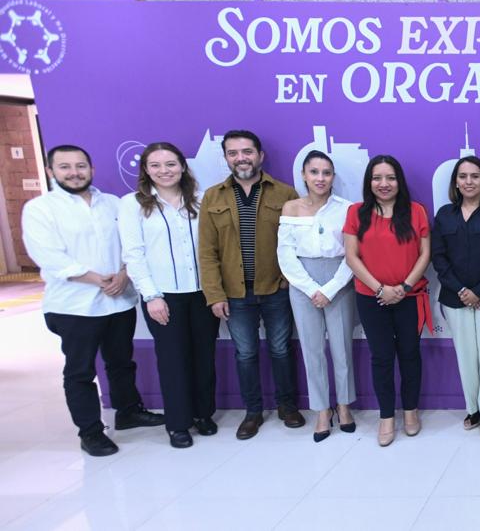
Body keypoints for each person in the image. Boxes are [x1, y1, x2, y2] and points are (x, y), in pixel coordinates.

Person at [23, 145, 164, 456]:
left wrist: (124, 275)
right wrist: (97, 279)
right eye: (65, 167)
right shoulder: (40, 209)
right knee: (80, 371)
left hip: (120, 300)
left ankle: (128, 411)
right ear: (51, 172)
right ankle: (90, 431)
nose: (74, 172)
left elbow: (133, 243)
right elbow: (48, 256)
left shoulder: (113, 204)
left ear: (92, 169)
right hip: (74, 306)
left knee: (121, 362)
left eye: (80, 166)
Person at [198, 130, 303, 440]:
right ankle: (253, 411)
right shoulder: (212, 196)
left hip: (275, 289)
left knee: (281, 349)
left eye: (247, 151)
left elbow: (296, 242)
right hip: (234, 292)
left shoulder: (284, 193)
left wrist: (287, 280)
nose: (241, 158)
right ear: (227, 158)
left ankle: (287, 406)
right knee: (245, 353)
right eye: (233, 153)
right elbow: (206, 251)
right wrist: (214, 294)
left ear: (260, 155)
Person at [118, 142, 220, 449]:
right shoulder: (132, 204)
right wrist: (151, 296)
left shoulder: (201, 200)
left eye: (171, 164)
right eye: (156, 165)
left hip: (203, 293)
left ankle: (203, 414)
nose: (165, 171)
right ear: (146, 170)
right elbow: (133, 255)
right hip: (164, 296)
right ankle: (178, 423)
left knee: (204, 356)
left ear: (183, 167)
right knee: (173, 360)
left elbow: (213, 247)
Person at [344, 155, 432, 447]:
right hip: (372, 298)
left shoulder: (416, 211)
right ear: (369, 182)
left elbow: (424, 254)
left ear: (399, 181)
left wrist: (404, 286)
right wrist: (381, 288)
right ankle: (385, 416)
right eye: (377, 178)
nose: (384, 184)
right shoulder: (357, 213)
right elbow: (352, 257)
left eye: (390, 178)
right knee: (381, 357)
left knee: (410, 355)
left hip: (409, 296)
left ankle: (410, 411)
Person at [278, 150, 357, 443]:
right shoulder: (291, 208)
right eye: (314, 172)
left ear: (333, 176)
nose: (320, 178)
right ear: (304, 175)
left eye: (326, 173)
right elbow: (285, 254)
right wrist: (311, 288)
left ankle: (344, 406)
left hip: (339, 279)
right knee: (311, 350)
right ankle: (322, 410)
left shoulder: (347, 208)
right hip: (302, 282)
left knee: (341, 348)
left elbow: (352, 255)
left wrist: (330, 289)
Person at [431, 156, 480, 438]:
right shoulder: (444, 215)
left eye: (474, 176)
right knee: (467, 357)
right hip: (455, 299)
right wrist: (463, 291)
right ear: (455, 182)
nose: (468, 181)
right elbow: (438, 258)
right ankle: (473, 408)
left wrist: (479, 291)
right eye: (463, 176)